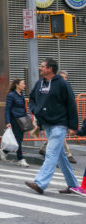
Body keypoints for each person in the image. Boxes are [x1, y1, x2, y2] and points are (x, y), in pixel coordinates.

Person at [26, 59, 79, 195]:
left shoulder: (62, 84)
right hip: (47, 125)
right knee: (60, 156)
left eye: (43, 66)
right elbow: (31, 98)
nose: (40, 68)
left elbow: (71, 104)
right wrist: (35, 110)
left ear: (50, 69)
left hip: (59, 125)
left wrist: (73, 126)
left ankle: (40, 183)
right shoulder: (40, 84)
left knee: (51, 153)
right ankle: (73, 185)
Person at [5, 78, 30, 168]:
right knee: (18, 139)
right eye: (22, 83)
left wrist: (27, 117)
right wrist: (8, 121)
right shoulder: (11, 95)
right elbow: (7, 109)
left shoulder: (21, 94)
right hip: (14, 119)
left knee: (19, 139)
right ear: (17, 85)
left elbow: (23, 108)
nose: (24, 85)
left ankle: (4, 151)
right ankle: (20, 159)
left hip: (22, 119)